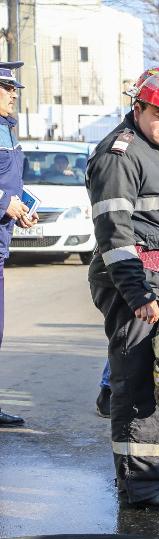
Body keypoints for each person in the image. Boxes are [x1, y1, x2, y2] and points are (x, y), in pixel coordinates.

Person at [86, 68, 159, 507]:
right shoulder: (119, 156)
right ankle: (141, 488)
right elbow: (114, 234)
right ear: (138, 108)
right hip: (139, 286)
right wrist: (138, 295)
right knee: (138, 389)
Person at [0, 61, 37, 427]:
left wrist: (22, 204)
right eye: (7, 88)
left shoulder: (7, 129)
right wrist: (3, 202)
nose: (13, 94)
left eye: (13, 89)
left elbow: (10, 180)